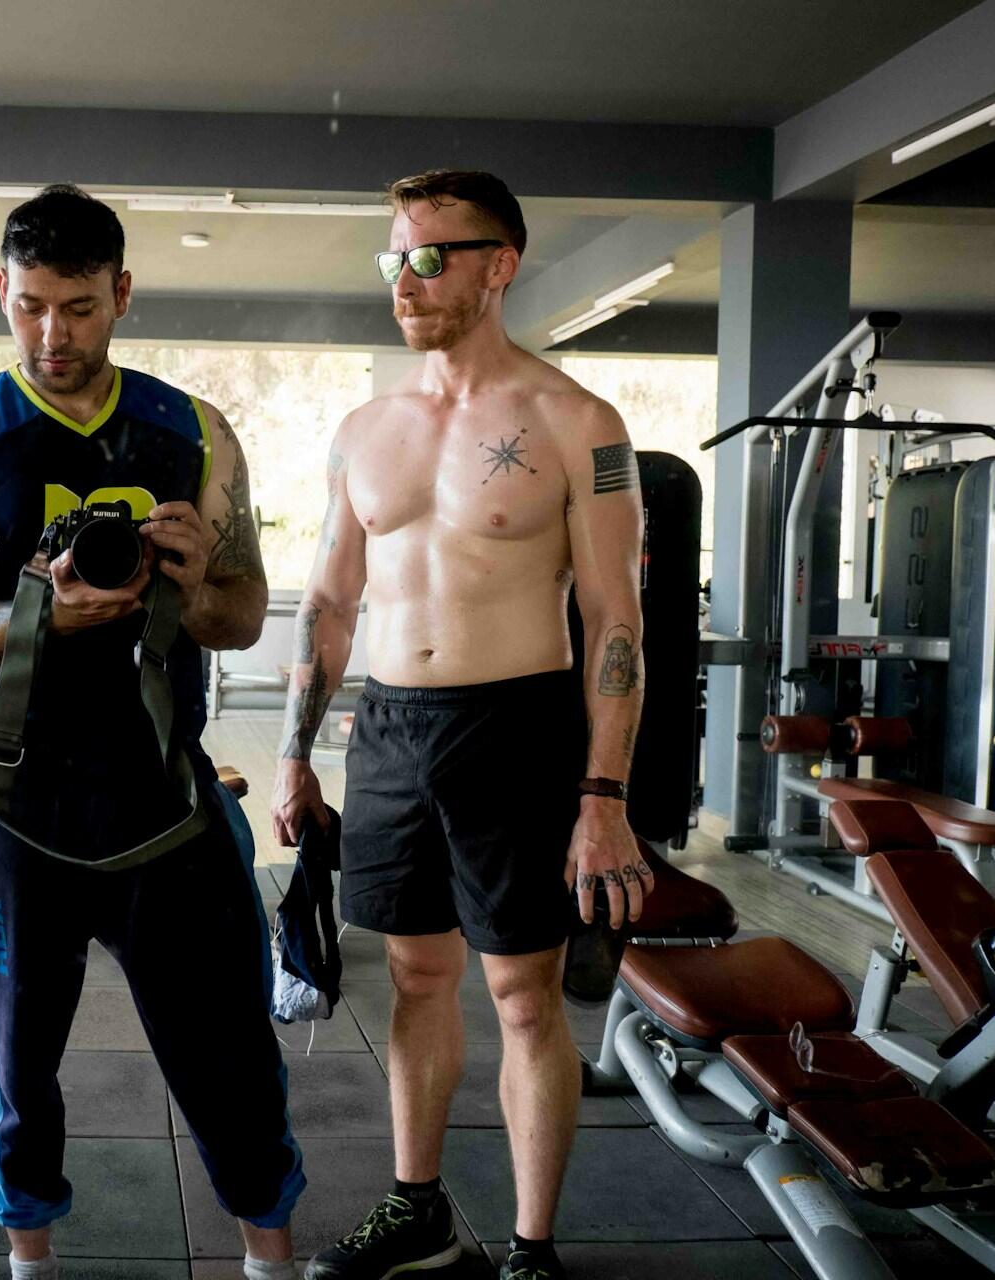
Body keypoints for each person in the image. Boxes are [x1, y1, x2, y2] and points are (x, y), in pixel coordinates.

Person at [0, 184, 304, 1280]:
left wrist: (192, 580)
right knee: (17, 1058)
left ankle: (271, 1260)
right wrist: (40, 608)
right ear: (2, 291)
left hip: (162, 784)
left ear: (121, 293)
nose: (52, 335)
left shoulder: (196, 430)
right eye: (29, 306)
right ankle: (33, 1264)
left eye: (77, 306)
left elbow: (246, 609)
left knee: (230, 1051)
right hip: (15, 794)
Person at [272, 169, 655, 1280]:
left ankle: (532, 1247)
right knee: (417, 976)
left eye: (432, 255)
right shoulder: (363, 428)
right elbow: (331, 601)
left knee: (525, 993)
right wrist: (298, 750)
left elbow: (614, 618)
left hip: (517, 726)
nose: (406, 277)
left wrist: (605, 797)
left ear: (501, 265)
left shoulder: (577, 422)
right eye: (393, 255)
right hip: (389, 727)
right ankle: (419, 1208)